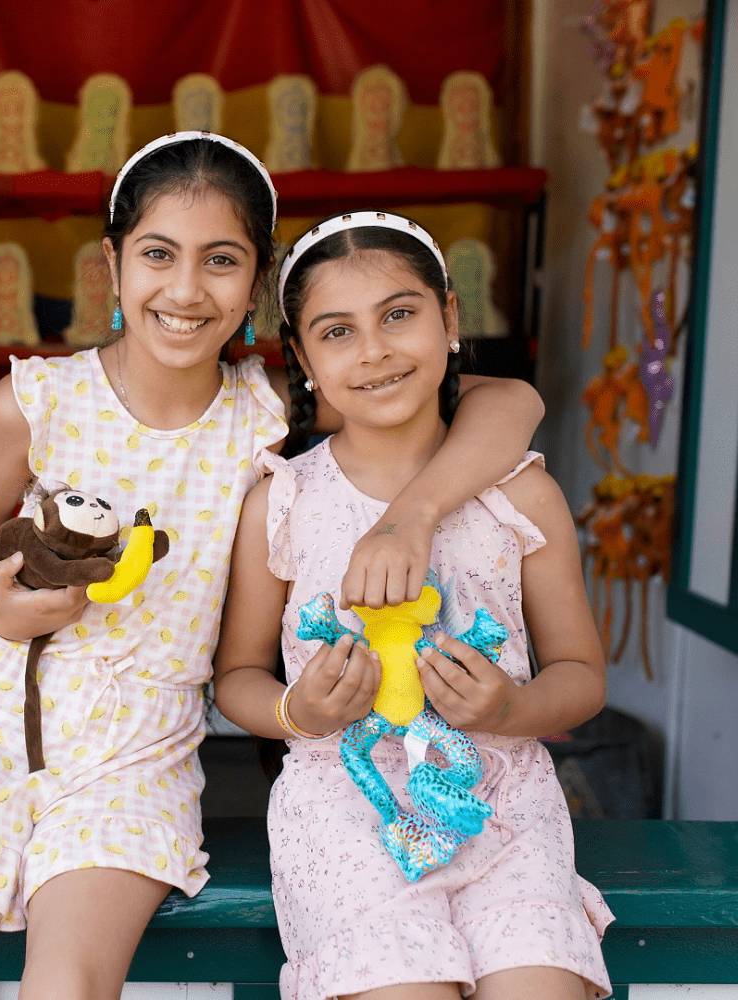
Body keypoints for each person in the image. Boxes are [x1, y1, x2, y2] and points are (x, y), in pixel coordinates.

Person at [0, 134, 545, 1000]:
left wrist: (416, 516)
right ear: (113, 263)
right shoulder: (33, 403)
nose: (185, 288)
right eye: (158, 255)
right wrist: (1, 605)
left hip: (144, 752)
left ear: (257, 283)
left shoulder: (269, 414)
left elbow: (510, 402)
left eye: (221, 260)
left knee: (67, 988)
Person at [213, 211, 613, 1000]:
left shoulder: (521, 494)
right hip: (344, 810)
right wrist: (302, 712)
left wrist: (511, 707)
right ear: (300, 357)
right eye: (336, 332)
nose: (375, 350)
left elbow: (583, 674)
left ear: (450, 317)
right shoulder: (283, 504)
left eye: (399, 314)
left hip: (506, 809)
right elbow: (234, 679)